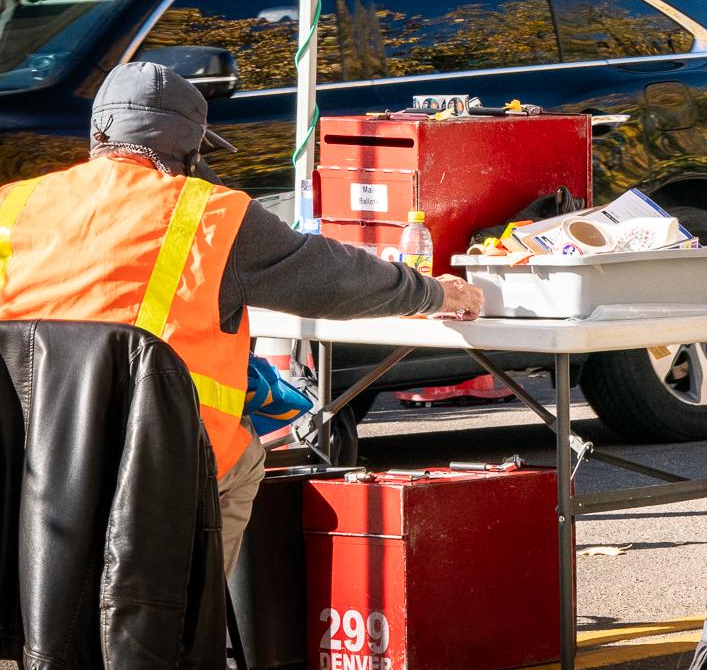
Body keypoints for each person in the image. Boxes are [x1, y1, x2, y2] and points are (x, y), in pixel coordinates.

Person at [0, 62, 485, 574]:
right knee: (247, 458)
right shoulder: (211, 213)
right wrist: (431, 291)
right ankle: (186, 622)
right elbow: (335, 280)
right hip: (156, 458)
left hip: (32, 455)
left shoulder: (16, 204)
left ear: (99, 132)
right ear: (188, 148)